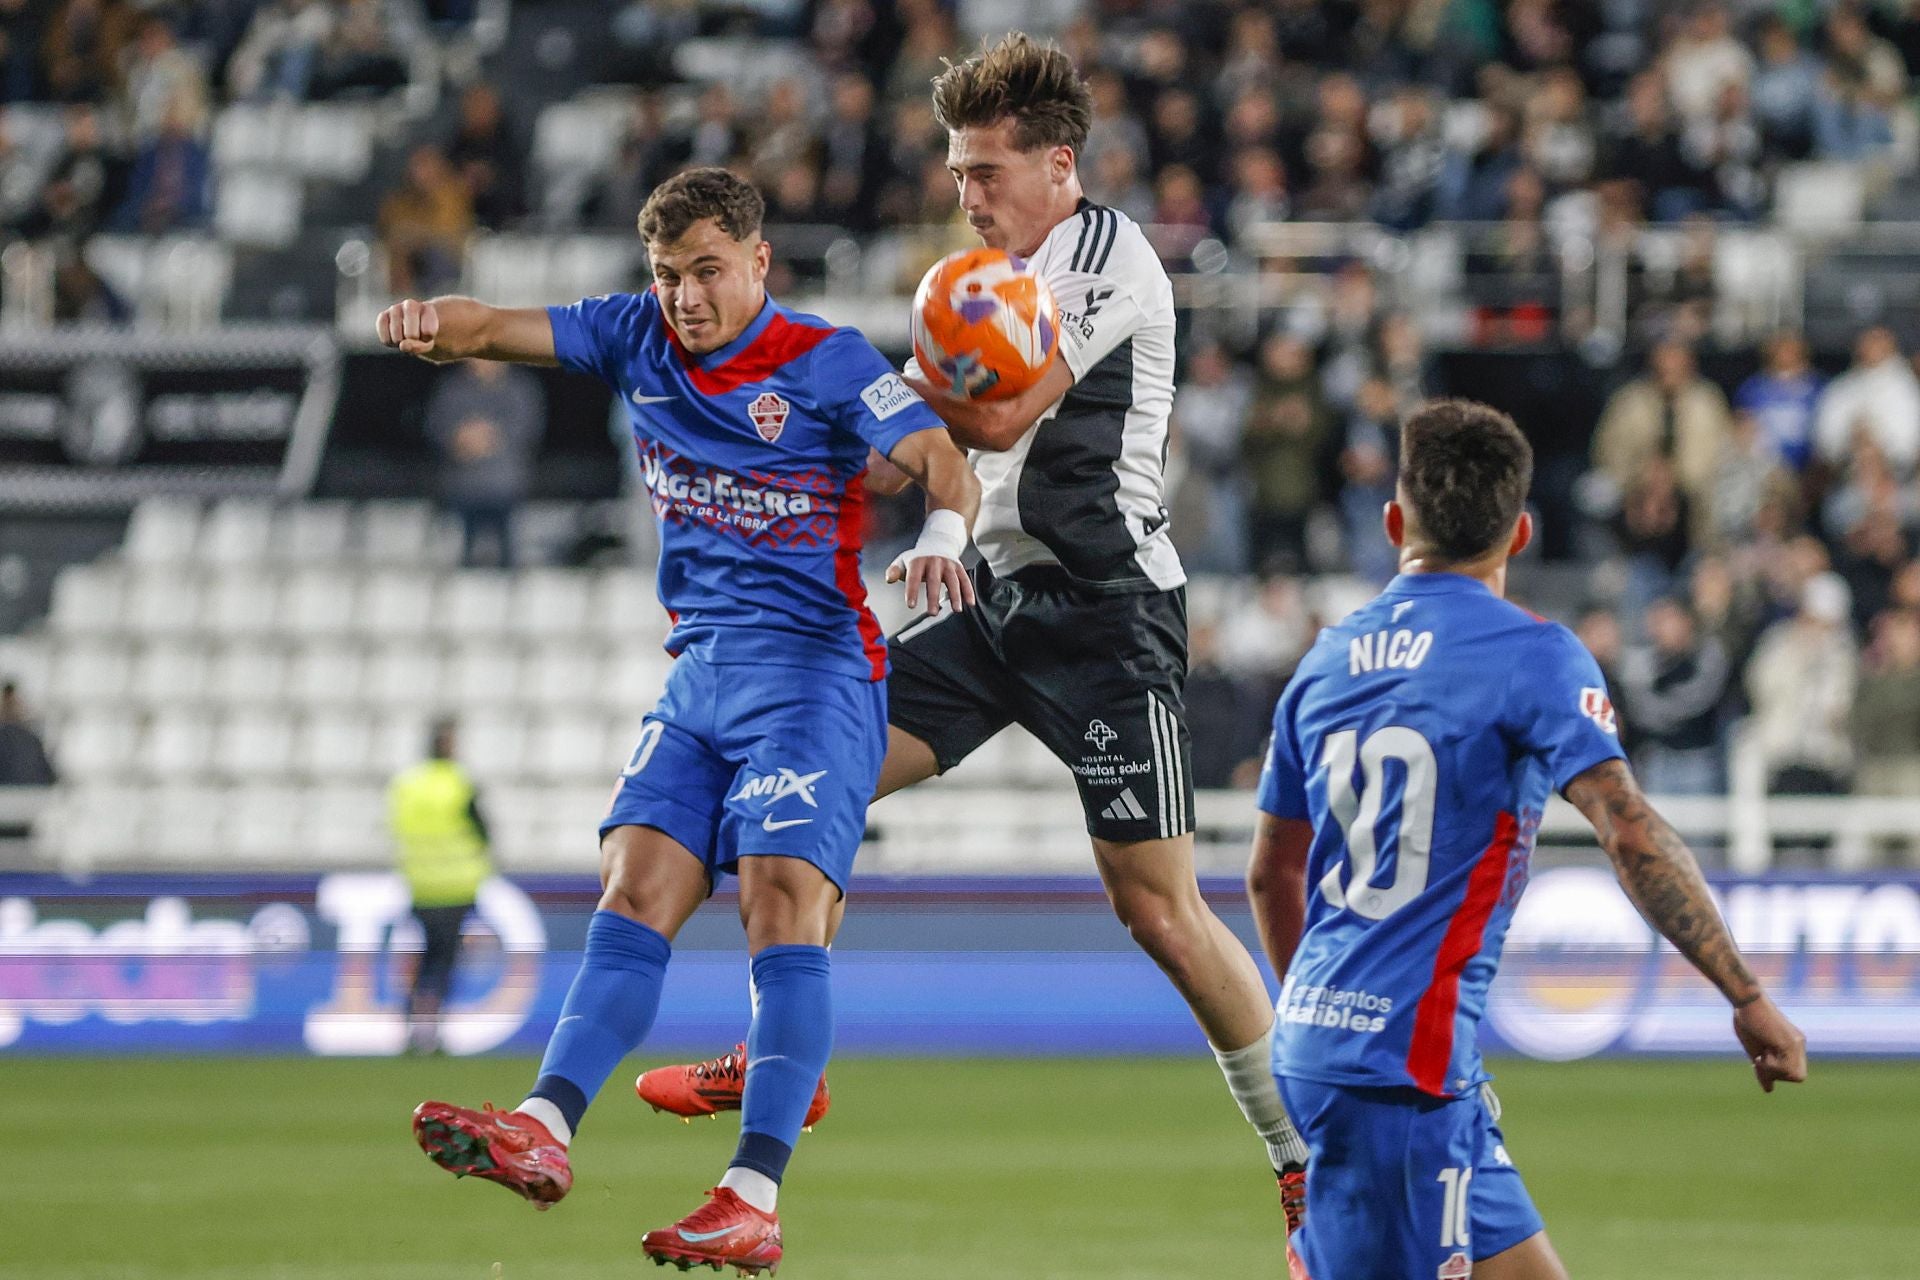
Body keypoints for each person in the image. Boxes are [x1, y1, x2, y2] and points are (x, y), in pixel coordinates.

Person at [639, 33, 1315, 1238]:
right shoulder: (976, 274)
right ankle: (781, 1052)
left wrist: (870, 390)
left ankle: (1302, 1152)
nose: (965, 195)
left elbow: (998, 410)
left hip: (1108, 614)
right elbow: (904, 425)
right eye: (956, 172)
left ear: (1061, 165)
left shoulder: (1105, 261)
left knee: (1157, 906)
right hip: (992, 605)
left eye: (985, 172)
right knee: (805, 786)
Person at [382, 166, 980, 1276]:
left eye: (707, 271)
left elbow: (938, 454)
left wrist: (944, 526)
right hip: (701, 675)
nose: (686, 298)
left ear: (759, 261)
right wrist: (432, 323)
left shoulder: (826, 359)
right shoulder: (634, 336)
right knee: (634, 883)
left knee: (775, 899)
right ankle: (545, 1126)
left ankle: (751, 1193)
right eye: (667, 275)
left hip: (814, 677)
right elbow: (498, 326)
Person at [1246, 398, 1806, 1280]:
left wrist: (1317, 1013)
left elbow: (1270, 871)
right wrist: (1742, 992)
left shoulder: (1323, 661)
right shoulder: (1534, 656)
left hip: (1361, 1049)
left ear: (1396, 521)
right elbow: (1631, 832)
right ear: (1521, 534)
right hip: (1400, 1077)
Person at [389, 718, 491, 1055]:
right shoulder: (459, 783)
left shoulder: (407, 784)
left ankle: (409, 1027)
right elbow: (482, 831)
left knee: (420, 957)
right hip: (456, 886)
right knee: (444, 962)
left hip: (419, 884)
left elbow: (397, 827)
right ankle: (433, 1031)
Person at [424, 358, 545, 568]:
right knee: (462, 559)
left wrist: (489, 437)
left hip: (506, 487)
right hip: (462, 488)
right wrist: (460, 440)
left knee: (508, 560)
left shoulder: (520, 389)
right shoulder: (452, 388)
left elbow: (527, 428)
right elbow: (436, 426)